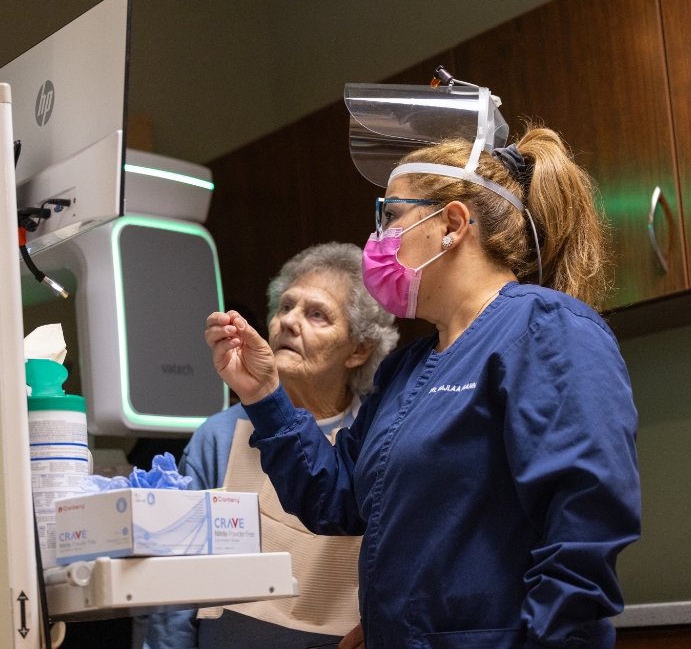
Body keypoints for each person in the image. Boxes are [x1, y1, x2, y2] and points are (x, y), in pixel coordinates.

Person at [205, 118, 641, 649]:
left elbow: (584, 529)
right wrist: (264, 394)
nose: (377, 239)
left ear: (453, 224)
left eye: (391, 217)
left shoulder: (545, 331)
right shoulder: (403, 370)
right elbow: (338, 499)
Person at [145, 242, 398, 649]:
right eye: (284, 307)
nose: (288, 322)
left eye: (317, 314)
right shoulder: (219, 436)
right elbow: (173, 588)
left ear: (360, 350)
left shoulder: (381, 439)